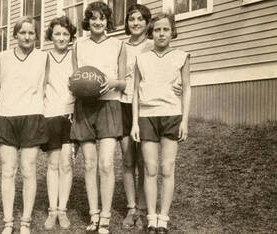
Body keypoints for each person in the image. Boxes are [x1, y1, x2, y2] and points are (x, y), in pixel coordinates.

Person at [131, 13, 191, 234]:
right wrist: (135, 123)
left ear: (172, 32)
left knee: (167, 168)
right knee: (151, 168)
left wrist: (184, 120)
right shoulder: (141, 59)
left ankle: (163, 218)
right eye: (157, 30)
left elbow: (187, 88)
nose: (161, 34)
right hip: (147, 117)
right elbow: (135, 92)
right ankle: (151, 218)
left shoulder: (181, 56)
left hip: (172, 115)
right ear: (151, 32)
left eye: (166, 29)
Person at [70, 1, 126, 233]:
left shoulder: (118, 45)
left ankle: (106, 216)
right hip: (84, 106)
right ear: (87, 21)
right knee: (90, 164)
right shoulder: (78, 45)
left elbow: (124, 82)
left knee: (105, 164)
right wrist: (75, 85)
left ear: (107, 21)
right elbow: (73, 79)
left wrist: (111, 82)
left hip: (109, 106)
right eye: (93, 18)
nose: (97, 22)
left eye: (102, 18)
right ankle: (93, 215)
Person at [0, 16, 48, 234]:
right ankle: (8, 222)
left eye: (31, 33)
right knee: (8, 170)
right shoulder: (2, 57)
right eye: (22, 32)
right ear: (15, 35)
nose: (27, 36)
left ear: (36, 35)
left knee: (28, 169)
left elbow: (44, 86)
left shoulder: (43, 58)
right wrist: (11, 105)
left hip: (32, 117)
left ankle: (25, 221)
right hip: (7, 118)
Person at [42, 16, 77, 230]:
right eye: (57, 33)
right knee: (52, 164)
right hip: (50, 115)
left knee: (66, 164)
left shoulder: (75, 56)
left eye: (65, 34)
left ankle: (62, 210)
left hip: (71, 115)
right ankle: (51, 211)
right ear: (51, 36)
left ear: (71, 36)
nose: (61, 38)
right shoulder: (44, 58)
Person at [119, 4, 152, 230]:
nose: (136, 23)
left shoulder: (153, 44)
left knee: (144, 160)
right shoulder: (121, 47)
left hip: (146, 106)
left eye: (140, 19)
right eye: (132, 19)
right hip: (122, 104)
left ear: (147, 22)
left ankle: (142, 208)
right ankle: (131, 208)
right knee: (128, 159)